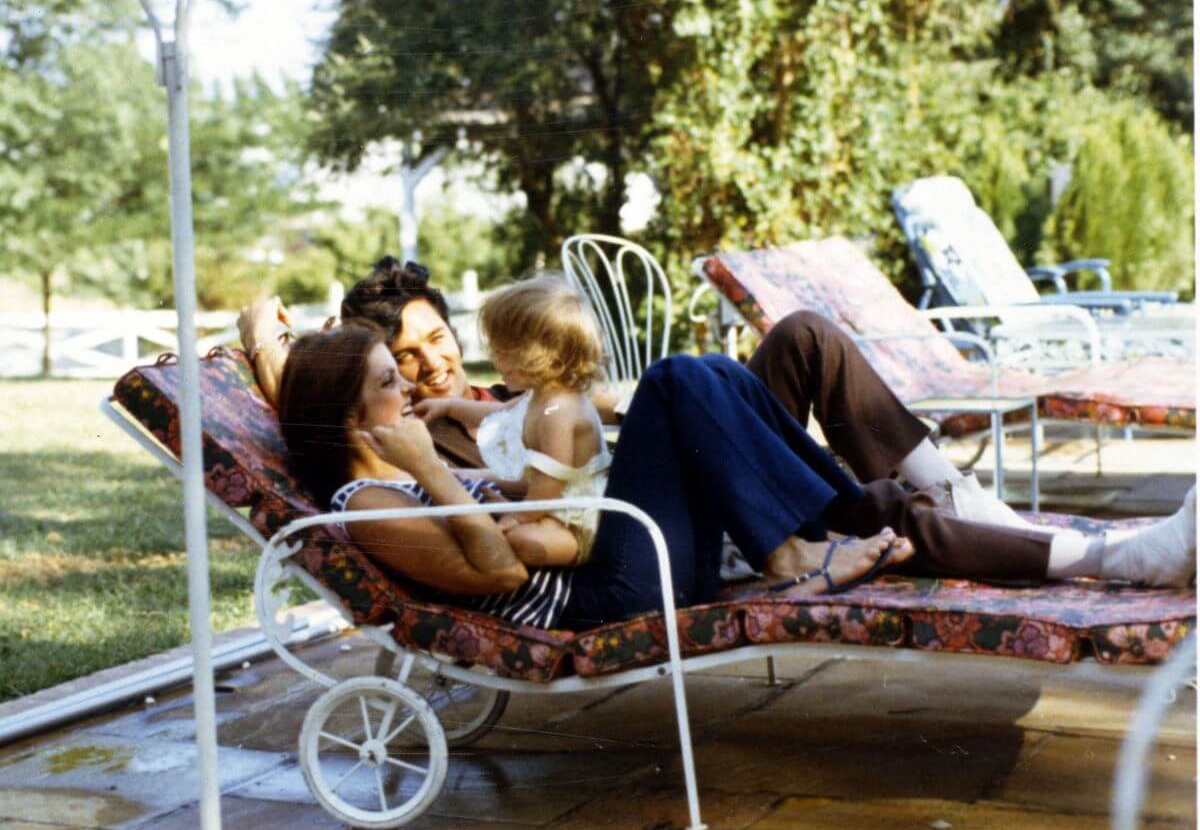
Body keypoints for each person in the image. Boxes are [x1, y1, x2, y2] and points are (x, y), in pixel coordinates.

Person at [244, 258, 1196, 589]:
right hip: (632, 539)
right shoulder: (403, 450)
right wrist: (259, 335)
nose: (431, 365)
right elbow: (313, 404)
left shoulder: (482, 401)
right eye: (400, 364)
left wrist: (605, 404)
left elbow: (587, 412)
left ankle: (953, 497)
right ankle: (1089, 554)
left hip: (653, 494)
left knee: (801, 338)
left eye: (438, 340)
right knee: (682, 385)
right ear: (366, 393)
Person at [277, 323, 917, 631]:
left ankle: (838, 515)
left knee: (712, 371)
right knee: (673, 381)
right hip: (606, 594)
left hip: (619, 558)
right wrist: (429, 467)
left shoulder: (395, 477)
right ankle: (792, 552)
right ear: (348, 419)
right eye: (391, 380)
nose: (409, 386)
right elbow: (501, 573)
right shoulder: (369, 506)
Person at [413, 275, 612, 567]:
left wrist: (517, 515)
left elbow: (549, 483)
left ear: (543, 357)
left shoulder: (560, 411)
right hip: (548, 502)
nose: (494, 359)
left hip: (578, 517)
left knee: (518, 540)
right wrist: (448, 407)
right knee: (480, 493)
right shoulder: (540, 395)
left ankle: (576, 552)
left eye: (503, 352)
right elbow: (500, 413)